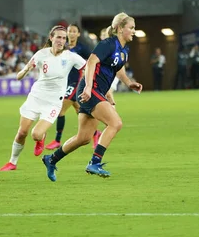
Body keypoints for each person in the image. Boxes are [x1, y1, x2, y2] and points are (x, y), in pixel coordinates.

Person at [42, 13, 143, 181]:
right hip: (91, 89)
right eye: (131, 27)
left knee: (84, 138)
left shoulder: (124, 49)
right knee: (115, 123)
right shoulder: (108, 44)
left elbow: (117, 68)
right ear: (119, 28)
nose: (134, 31)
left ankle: (51, 159)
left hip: (97, 91)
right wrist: (88, 88)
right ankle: (95, 162)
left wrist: (129, 82)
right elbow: (90, 62)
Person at [0, 25, 86, 171]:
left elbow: (87, 67)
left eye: (64, 38)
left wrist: (84, 84)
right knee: (22, 132)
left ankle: (41, 137)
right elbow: (19, 76)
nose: (61, 41)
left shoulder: (70, 57)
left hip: (53, 102)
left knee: (36, 134)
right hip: (36, 97)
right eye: (58, 37)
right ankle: (12, 163)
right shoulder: (41, 54)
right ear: (51, 38)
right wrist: (26, 69)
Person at [45, 24, 93, 152]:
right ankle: (95, 134)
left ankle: (57, 140)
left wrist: (86, 76)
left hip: (76, 82)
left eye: (74, 31)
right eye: (69, 31)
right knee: (80, 110)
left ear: (78, 34)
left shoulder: (82, 48)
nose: (71, 33)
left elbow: (92, 62)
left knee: (60, 110)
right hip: (65, 83)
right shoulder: (63, 48)